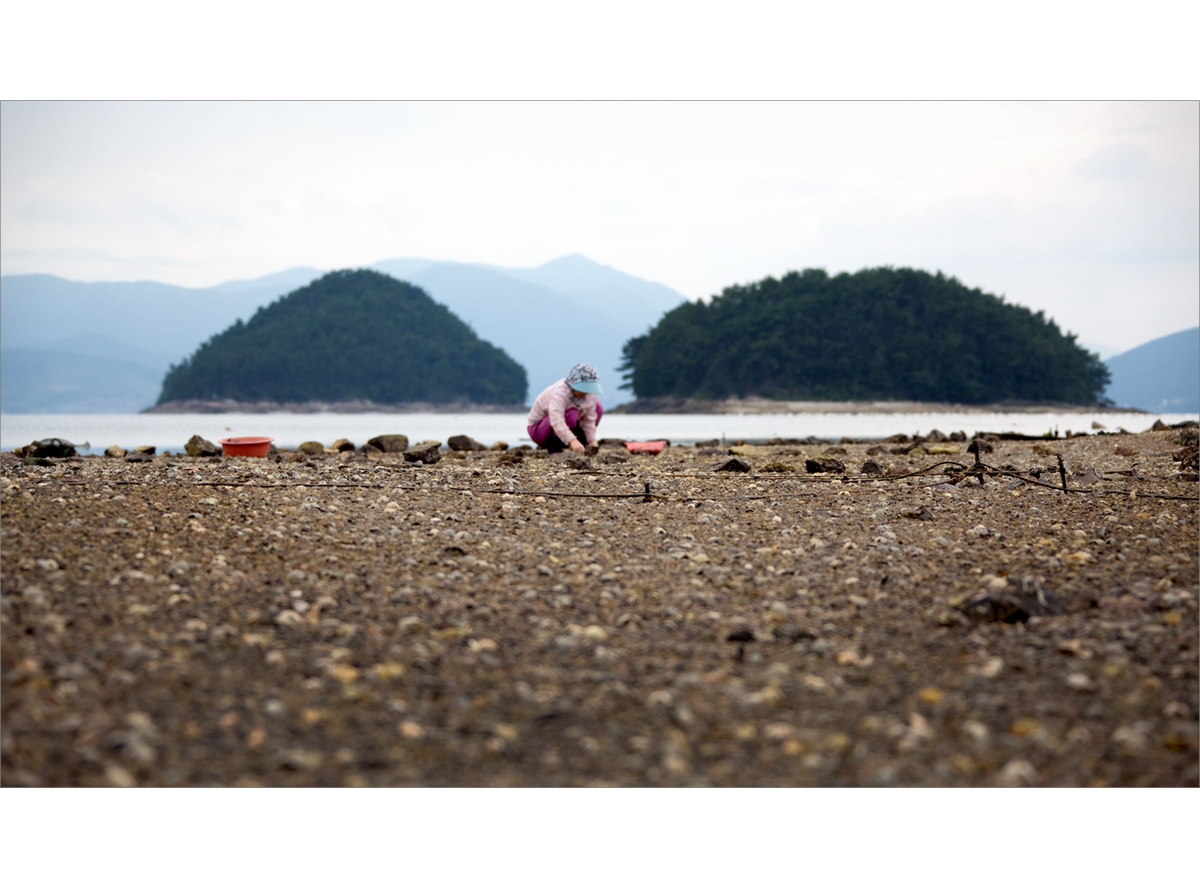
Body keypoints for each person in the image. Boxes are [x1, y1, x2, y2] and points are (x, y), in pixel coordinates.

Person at [527, 364, 605, 454]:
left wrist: (592, 440)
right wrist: (572, 440)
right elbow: (556, 419)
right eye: (583, 388)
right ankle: (555, 446)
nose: (586, 392)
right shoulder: (560, 392)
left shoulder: (589, 394)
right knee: (571, 414)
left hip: (570, 425)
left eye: (588, 388)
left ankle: (578, 441)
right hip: (539, 430)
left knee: (598, 408)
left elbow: (588, 420)